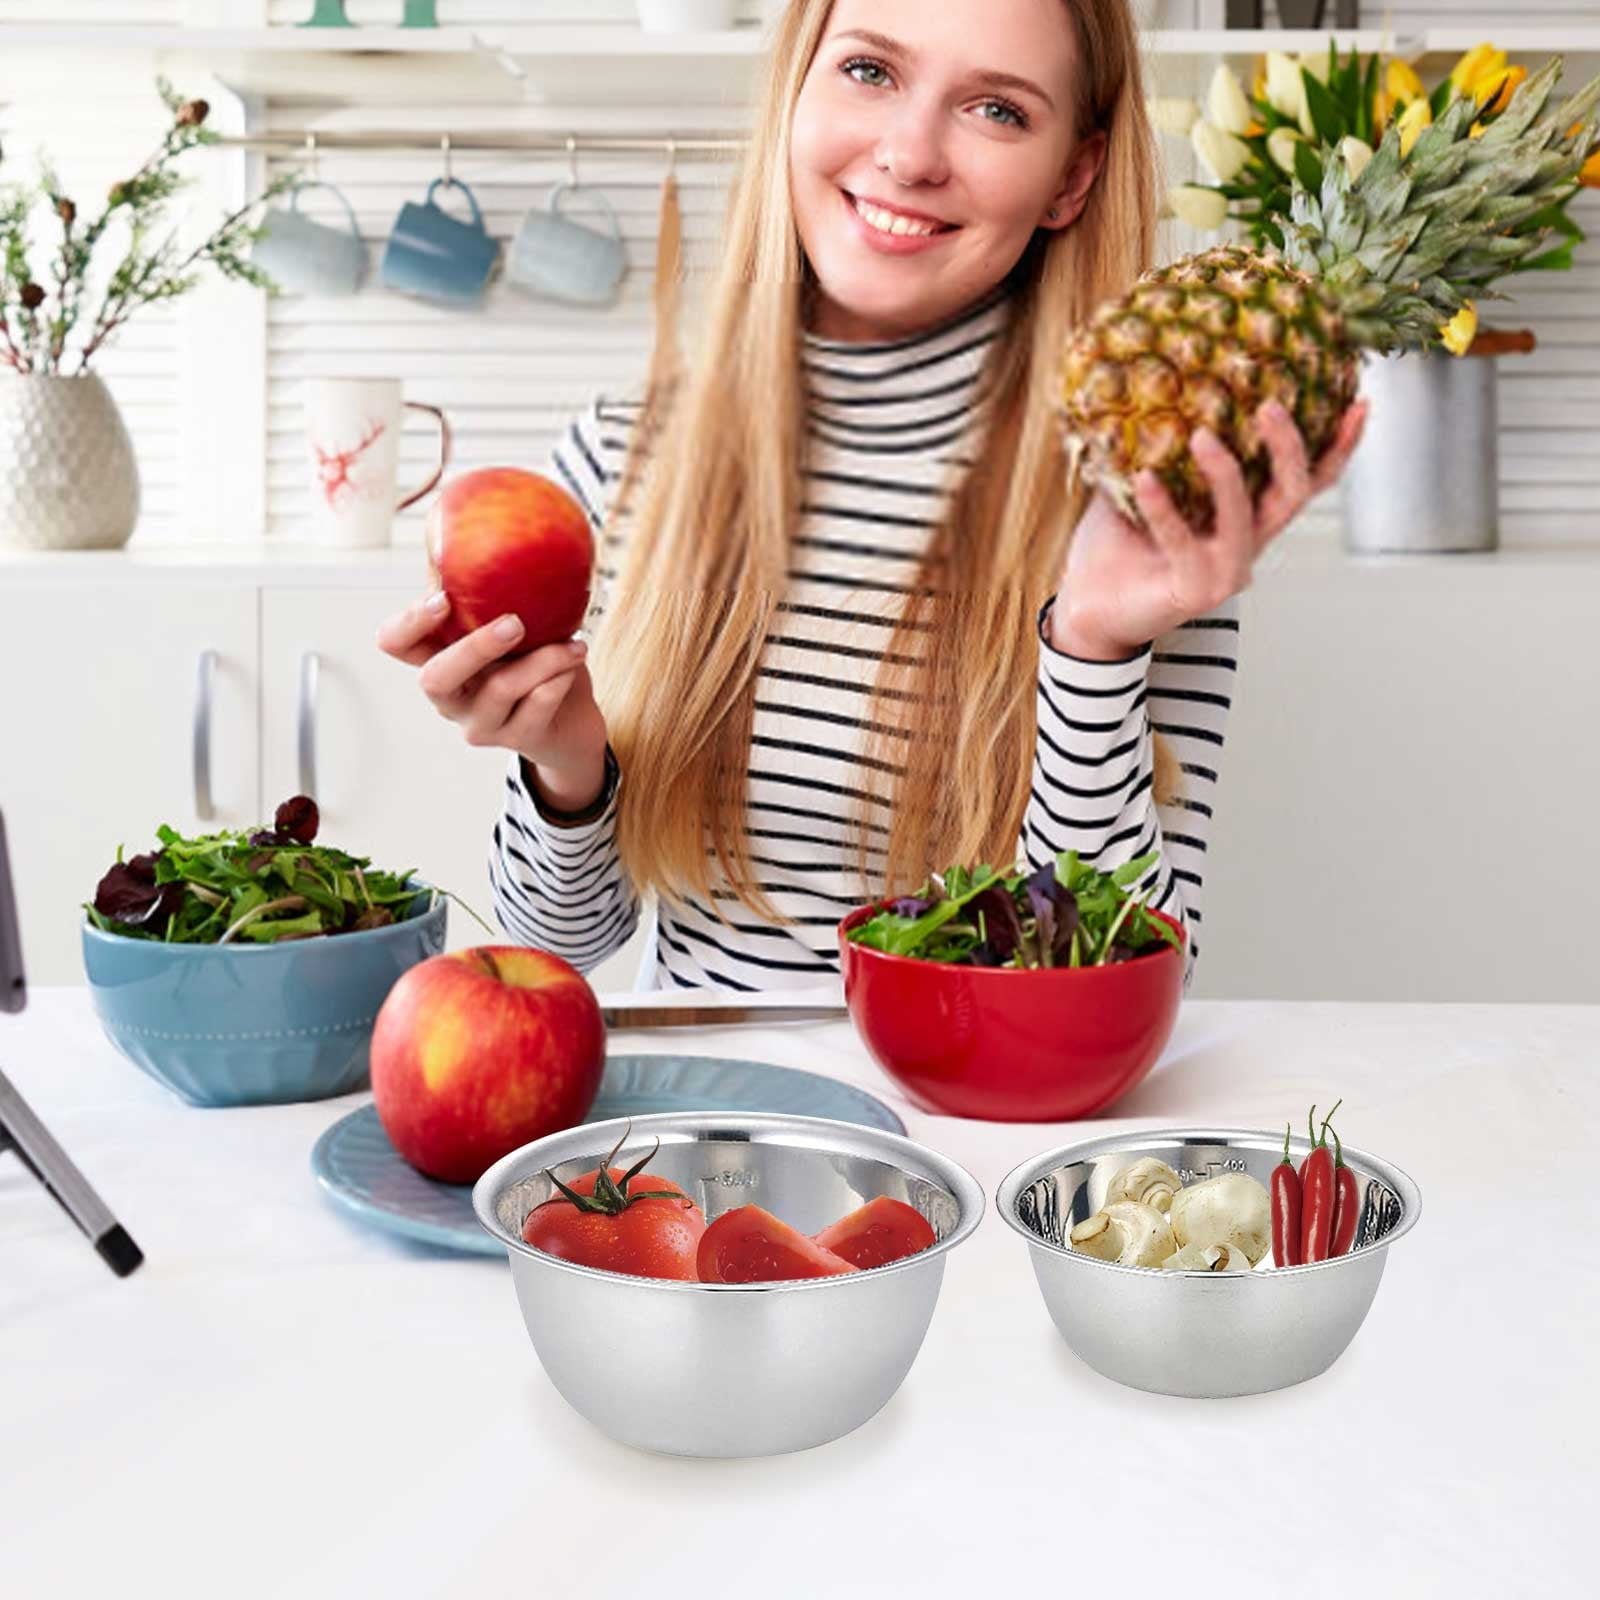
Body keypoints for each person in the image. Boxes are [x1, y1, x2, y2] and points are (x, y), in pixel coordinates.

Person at [378, 0, 1366, 992]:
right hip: (706, 1125)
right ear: (796, 87)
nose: (909, 154)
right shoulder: (625, 456)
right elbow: (556, 942)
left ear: (1071, 177)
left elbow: (1119, 975)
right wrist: (566, 764)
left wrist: (1093, 651)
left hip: (979, 1133)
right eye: (869, 72)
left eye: (997, 110)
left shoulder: (1139, 504)